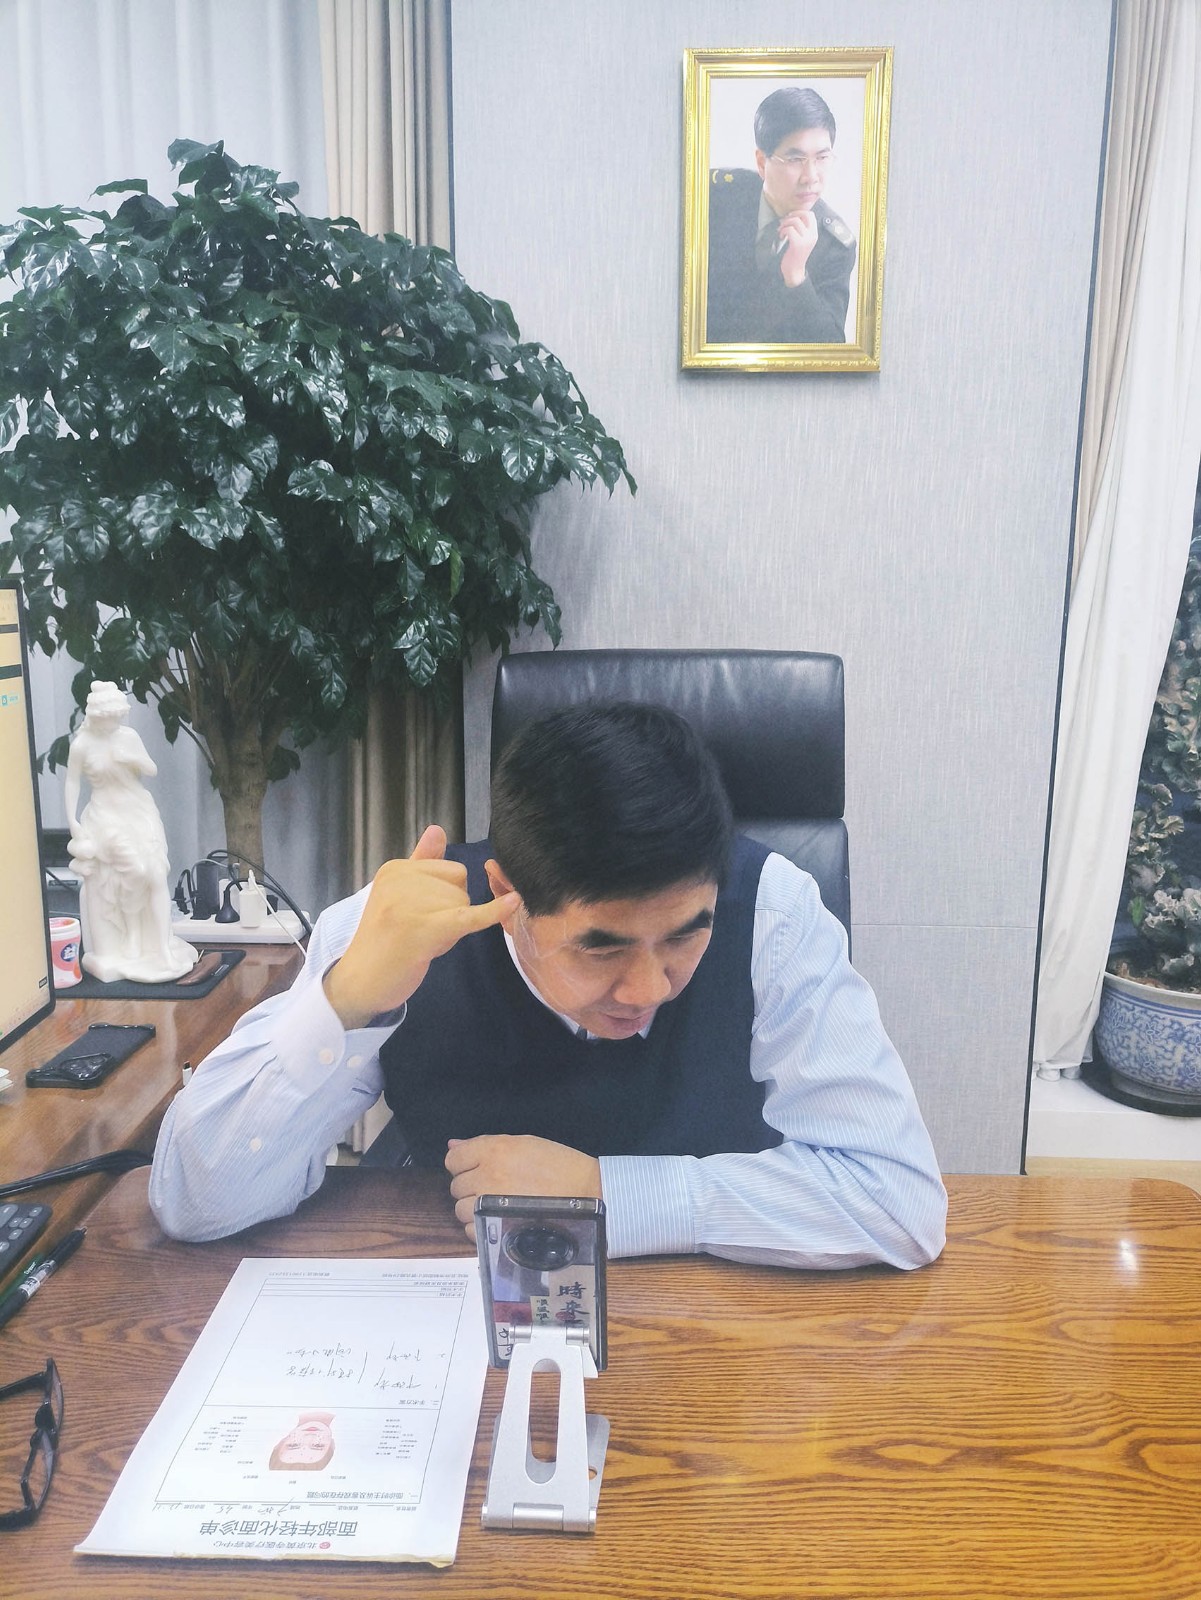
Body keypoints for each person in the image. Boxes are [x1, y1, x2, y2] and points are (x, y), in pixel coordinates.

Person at [150, 703, 946, 1271]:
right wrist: (346, 999)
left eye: (684, 935)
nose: (648, 988)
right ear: (507, 895)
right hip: (466, 1313)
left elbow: (898, 1201)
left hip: (726, 1318)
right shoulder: (395, 930)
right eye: (600, 947)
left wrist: (604, 1195)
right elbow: (195, 1203)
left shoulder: (771, 912)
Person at [64, 679, 197, 983]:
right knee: (136, 870)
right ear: (97, 715)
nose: (114, 723)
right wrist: (73, 821)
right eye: (108, 717)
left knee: (156, 873)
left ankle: (162, 947)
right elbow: (72, 782)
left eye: (117, 717)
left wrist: (132, 758)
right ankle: (133, 931)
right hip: (105, 818)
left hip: (139, 811)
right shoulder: (82, 745)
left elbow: (151, 769)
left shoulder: (128, 737)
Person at [706, 85, 856, 345]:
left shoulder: (836, 246)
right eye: (795, 159)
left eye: (822, 158)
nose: (811, 177)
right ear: (762, 163)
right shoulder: (715, 198)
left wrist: (797, 277)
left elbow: (829, 350)